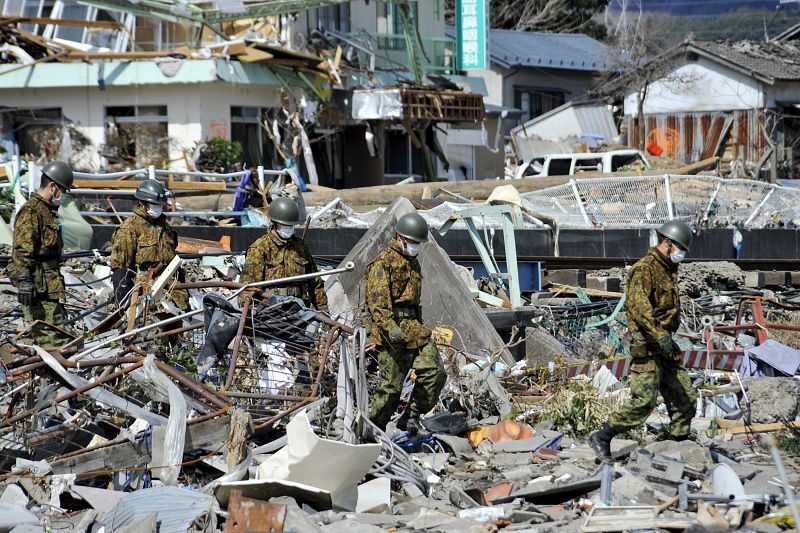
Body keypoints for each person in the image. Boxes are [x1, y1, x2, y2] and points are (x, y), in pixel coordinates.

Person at [589, 220, 696, 462]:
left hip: (665, 347)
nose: (682, 254)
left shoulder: (667, 269)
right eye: (680, 248)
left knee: (685, 395)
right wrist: (659, 336)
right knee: (643, 402)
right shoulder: (644, 269)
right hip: (648, 347)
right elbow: (639, 310)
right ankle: (602, 436)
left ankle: (680, 441)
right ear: (667, 243)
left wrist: (666, 338)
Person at [364, 212, 446, 433]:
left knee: (435, 373)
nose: (415, 246)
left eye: (418, 243)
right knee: (390, 388)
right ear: (399, 237)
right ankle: (371, 430)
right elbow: (378, 303)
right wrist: (391, 328)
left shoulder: (412, 262)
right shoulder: (383, 263)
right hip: (391, 332)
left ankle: (411, 415)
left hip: (415, 330)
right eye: (412, 242)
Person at [9, 160, 74, 344]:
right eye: (63, 190)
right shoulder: (32, 211)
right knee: (48, 338)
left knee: (56, 335)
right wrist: (24, 282)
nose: (64, 196)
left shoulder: (48, 211)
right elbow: (22, 250)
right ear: (52, 186)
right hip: (38, 287)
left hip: (49, 285)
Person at [238, 196, 327, 311]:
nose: (288, 229)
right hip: (270, 311)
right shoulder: (260, 248)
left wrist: (324, 311)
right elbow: (248, 287)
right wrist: (249, 313)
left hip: (299, 310)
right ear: (273, 222)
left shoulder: (300, 247)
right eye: (284, 225)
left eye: (291, 225)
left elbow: (315, 283)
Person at [110, 180, 187, 309]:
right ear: (142, 203)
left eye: (160, 204)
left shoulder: (165, 228)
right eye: (154, 204)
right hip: (146, 296)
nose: (158, 207)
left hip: (173, 294)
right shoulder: (129, 228)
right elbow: (120, 270)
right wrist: (124, 307)